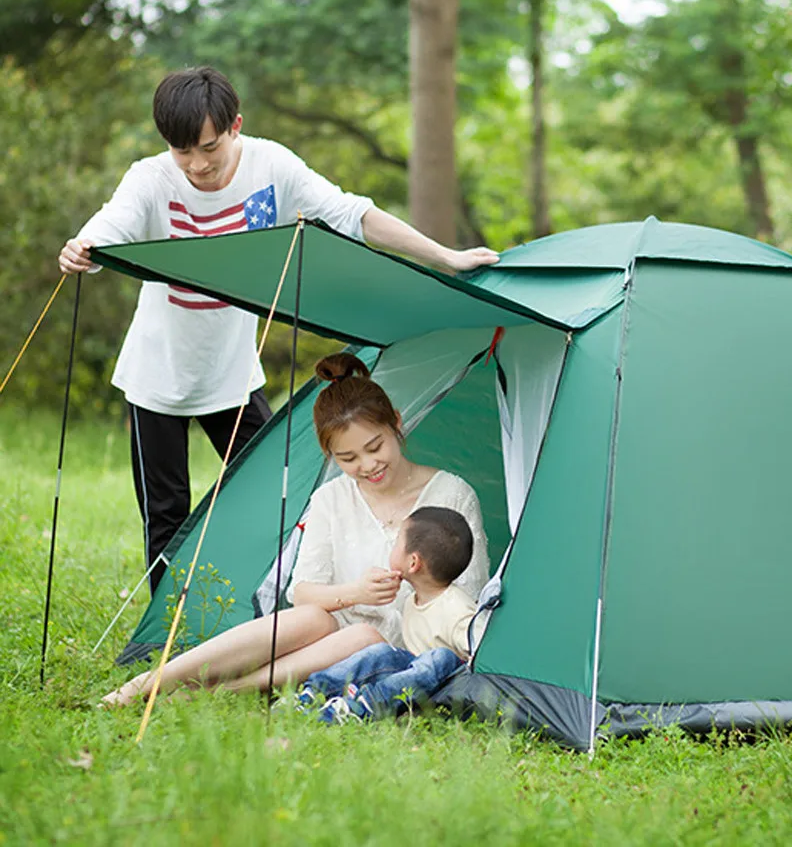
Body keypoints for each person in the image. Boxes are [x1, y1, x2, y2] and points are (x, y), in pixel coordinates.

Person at [58, 67, 498, 593]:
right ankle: (169, 625)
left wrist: (445, 257)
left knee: (280, 499)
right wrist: (83, 249)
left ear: (235, 126)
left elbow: (352, 213)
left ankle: (273, 601)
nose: (197, 165)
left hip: (233, 376)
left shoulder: (272, 166)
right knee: (166, 514)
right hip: (157, 376)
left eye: (209, 148)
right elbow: (111, 227)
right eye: (182, 152)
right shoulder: (150, 178)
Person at [102, 352, 489, 706]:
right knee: (312, 617)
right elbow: (302, 592)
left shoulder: (452, 494)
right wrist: (356, 593)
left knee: (365, 637)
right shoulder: (331, 497)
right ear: (330, 455)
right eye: (348, 458)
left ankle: (222, 690)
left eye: (375, 447)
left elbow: (468, 600)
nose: (368, 466)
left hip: (406, 651)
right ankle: (148, 682)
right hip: (334, 632)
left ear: (397, 423)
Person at [298, 506, 479, 722]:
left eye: (396, 543)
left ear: (413, 563)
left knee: (442, 657)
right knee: (383, 652)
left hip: (444, 688)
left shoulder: (457, 609)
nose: (392, 547)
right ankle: (314, 693)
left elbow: (481, 653)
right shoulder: (412, 600)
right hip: (411, 681)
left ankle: (363, 706)